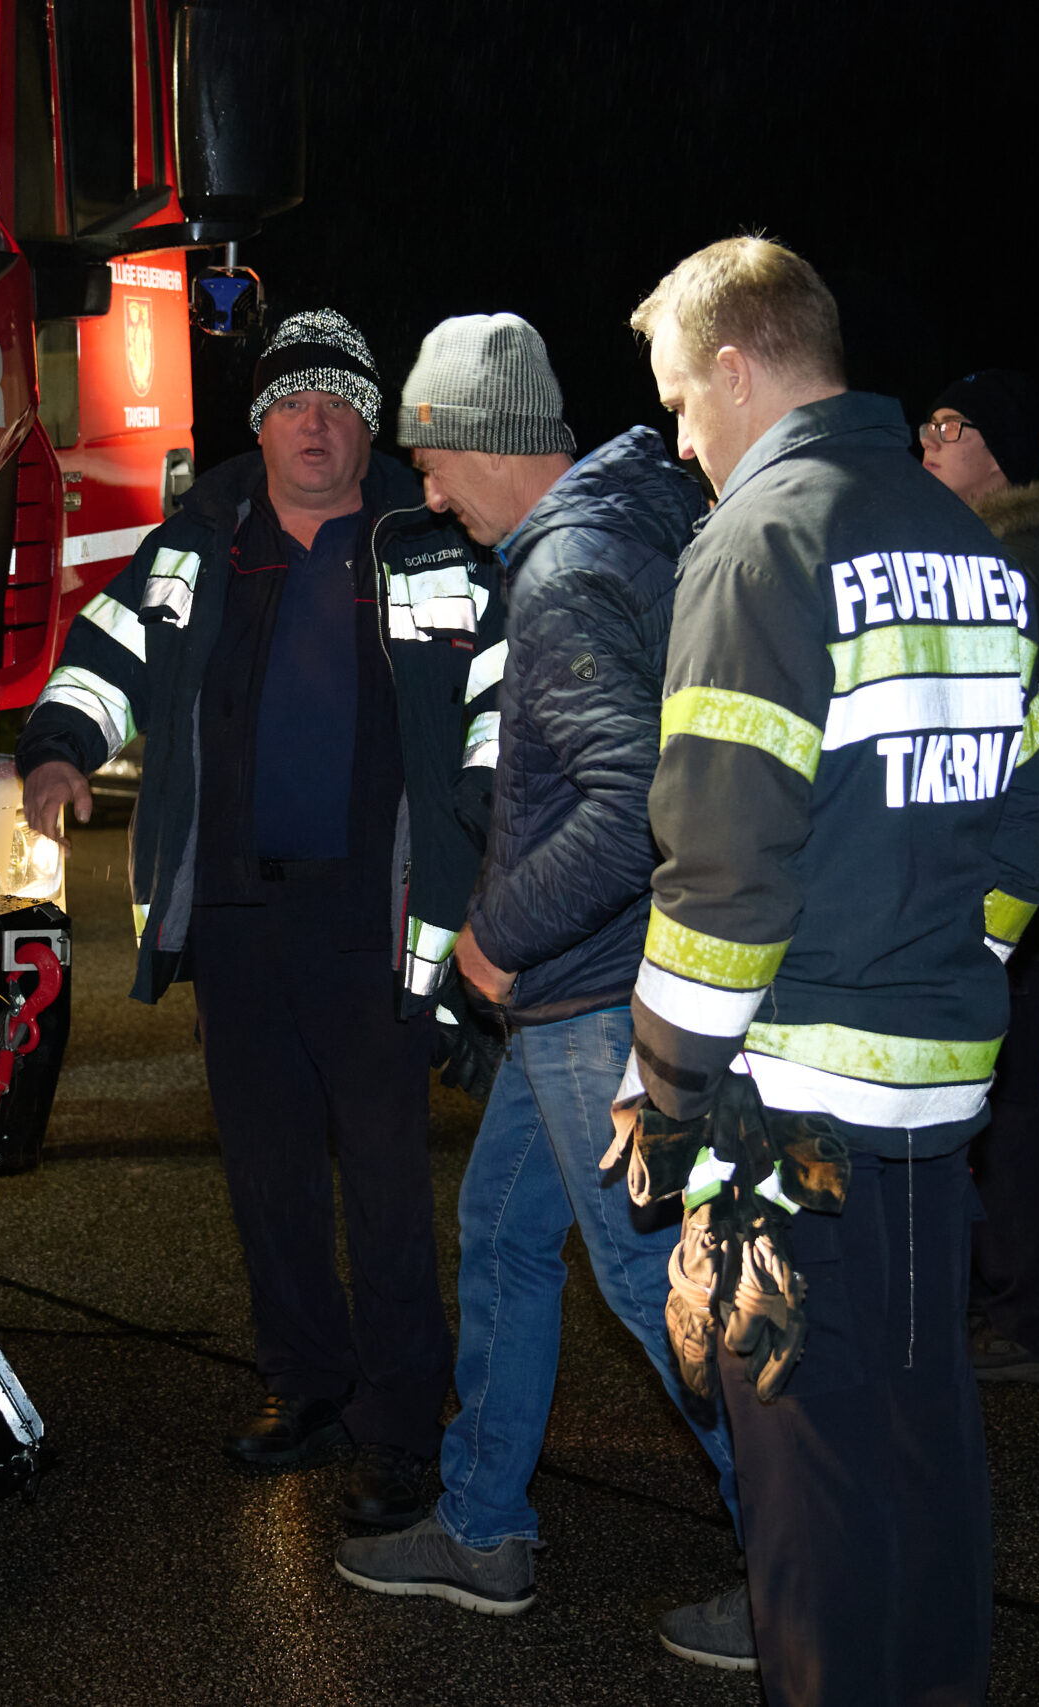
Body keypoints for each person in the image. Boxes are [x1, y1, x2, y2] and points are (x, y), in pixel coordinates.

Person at [617, 237, 1039, 1701]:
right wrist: (955, 957)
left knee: (808, 1491)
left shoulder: (760, 545)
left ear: (737, 369)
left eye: (680, 401)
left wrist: (664, 1098)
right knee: (923, 1455)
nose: (680, 439)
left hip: (783, 1122)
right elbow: (1036, 811)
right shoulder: (965, 544)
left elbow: (722, 879)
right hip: (937, 1110)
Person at [13, 309, 501, 1530]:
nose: (314, 425)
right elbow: (108, 652)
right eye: (292, 404)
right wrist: (62, 747)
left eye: (337, 405)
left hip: (374, 918)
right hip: (237, 915)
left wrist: (490, 820)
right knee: (268, 1176)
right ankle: (306, 1385)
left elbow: (501, 686)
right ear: (262, 423)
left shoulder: (429, 539)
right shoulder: (201, 538)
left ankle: (401, 1424)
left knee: (386, 1187)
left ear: (369, 424)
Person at [329, 314, 737, 1616]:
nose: (431, 493)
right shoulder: (637, 518)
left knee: (651, 1276)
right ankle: (482, 1526)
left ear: (492, 442)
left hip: (588, 989)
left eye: (434, 461)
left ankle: (807, 1563)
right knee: (504, 1230)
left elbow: (628, 806)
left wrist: (496, 940)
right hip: (609, 977)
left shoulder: (564, 569)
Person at [922, 370, 1039, 1387]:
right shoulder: (1005, 554)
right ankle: (1009, 1303)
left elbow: (996, 741)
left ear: (1001, 451)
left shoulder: (1014, 566)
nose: (931, 438)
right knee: (995, 1093)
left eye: (952, 425)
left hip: (1012, 879)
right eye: (930, 422)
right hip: (1019, 874)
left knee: (1007, 1098)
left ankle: (1037, 1322)